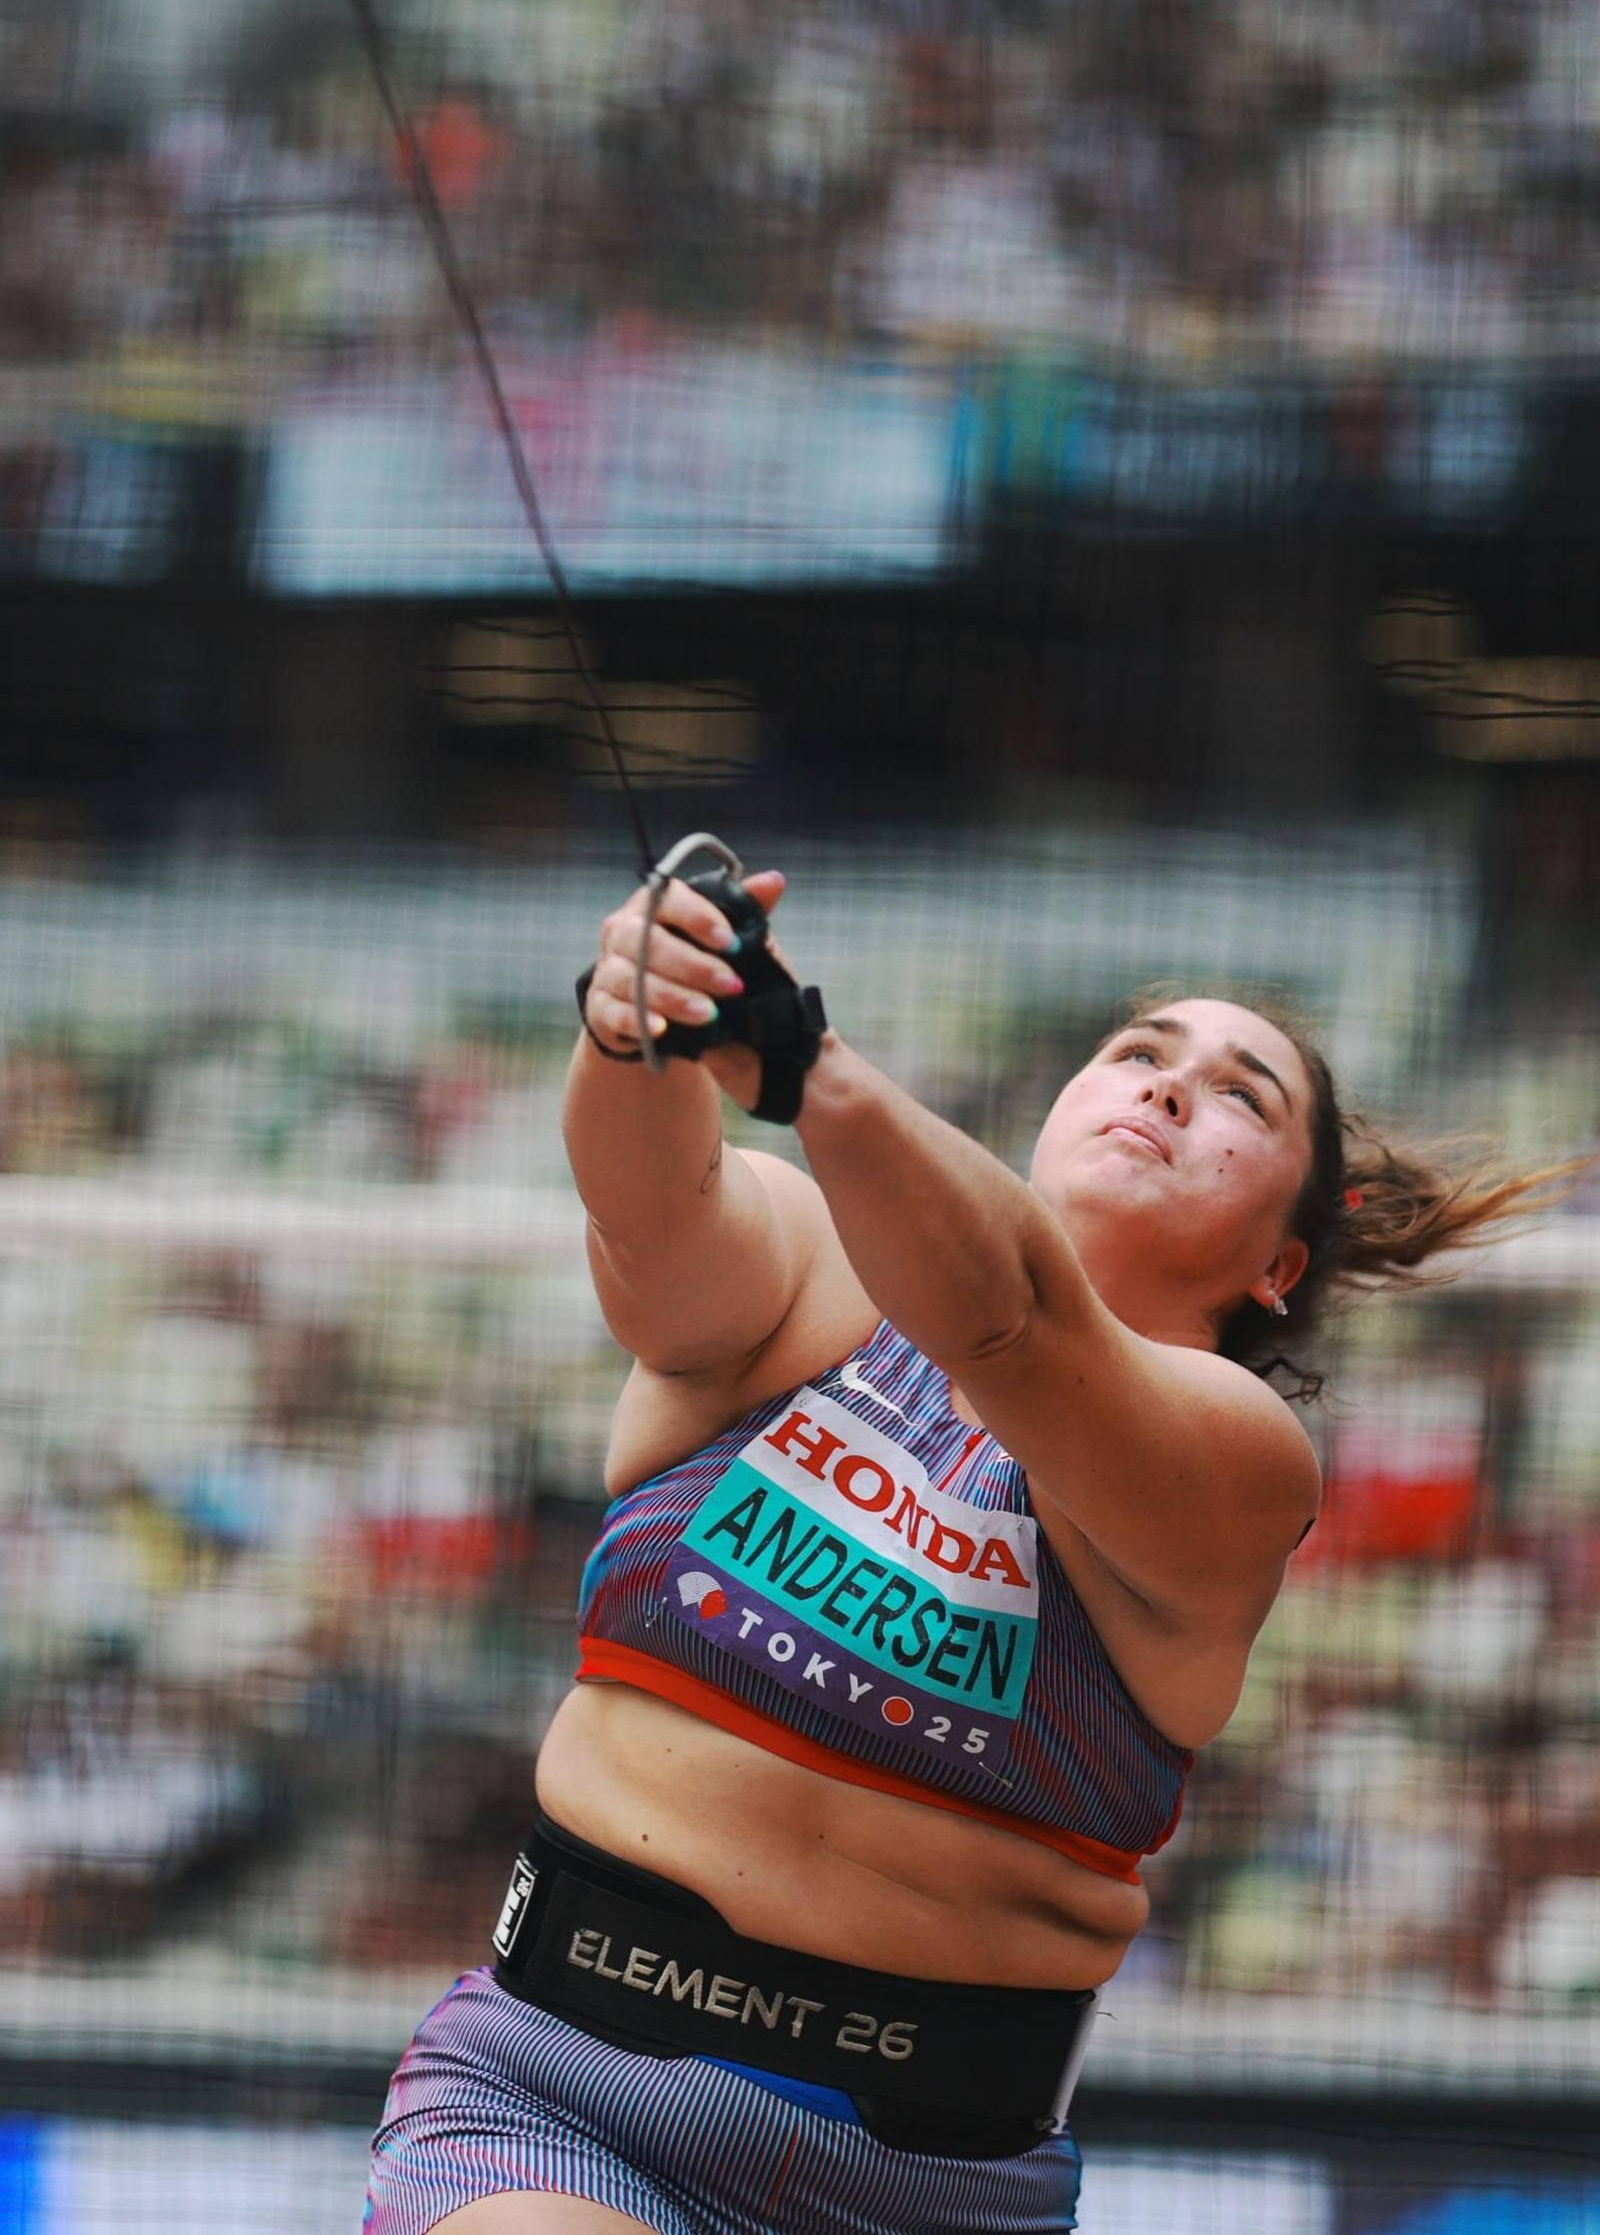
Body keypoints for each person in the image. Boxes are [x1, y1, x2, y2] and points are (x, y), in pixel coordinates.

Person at [365, 864, 1561, 2235]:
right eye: (1138, 1056)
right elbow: (653, 1209)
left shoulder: (1244, 1460)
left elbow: (1015, 1327)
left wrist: (807, 1061)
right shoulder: (815, 1272)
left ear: (1279, 1269)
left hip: (932, 2186)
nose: (1171, 1089)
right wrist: (638, 1024)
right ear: (1051, 1120)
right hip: (564, 2091)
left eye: (1243, 1096)